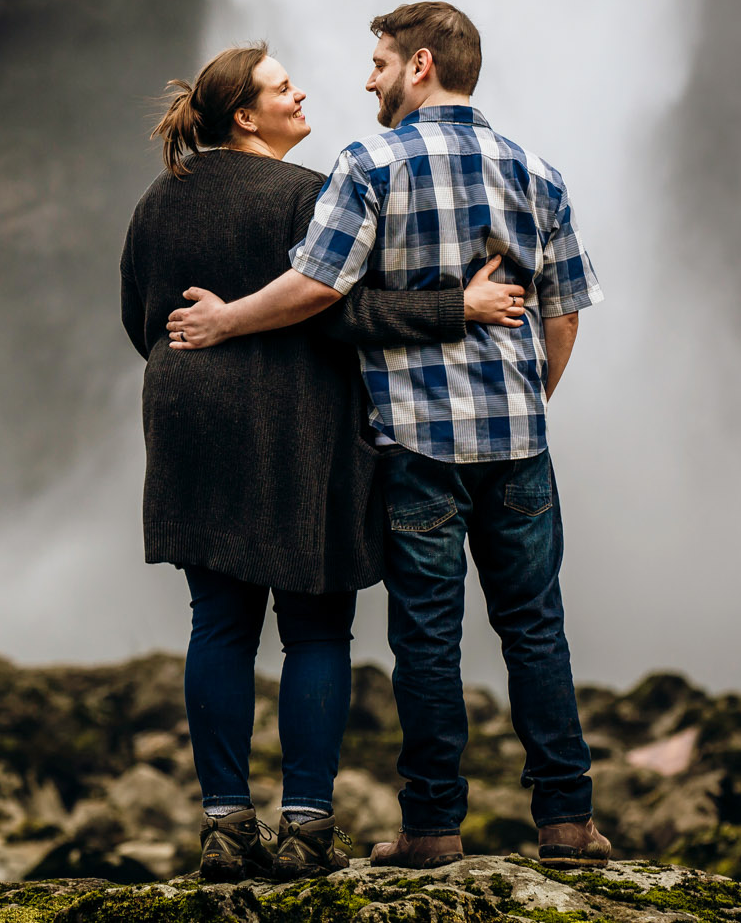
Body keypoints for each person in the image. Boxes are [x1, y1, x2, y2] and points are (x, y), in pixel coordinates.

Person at [166, 2, 612, 868]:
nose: (364, 78)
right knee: (536, 627)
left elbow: (315, 288)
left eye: (377, 61)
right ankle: (566, 821)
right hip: (519, 442)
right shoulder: (537, 170)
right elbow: (564, 315)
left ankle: (433, 827)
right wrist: (531, 395)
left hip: (417, 443)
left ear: (420, 67)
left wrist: (223, 323)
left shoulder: (370, 165)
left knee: (427, 639)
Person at [119, 43, 527, 882]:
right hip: (296, 424)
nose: (301, 92)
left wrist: (200, 360)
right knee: (313, 626)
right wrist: (465, 304)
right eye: (281, 86)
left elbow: (140, 317)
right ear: (245, 114)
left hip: (190, 420)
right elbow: (345, 313)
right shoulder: (309, 194)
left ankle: (225, 827)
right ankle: (305, 828)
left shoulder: (160, 200)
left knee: (219, 622)